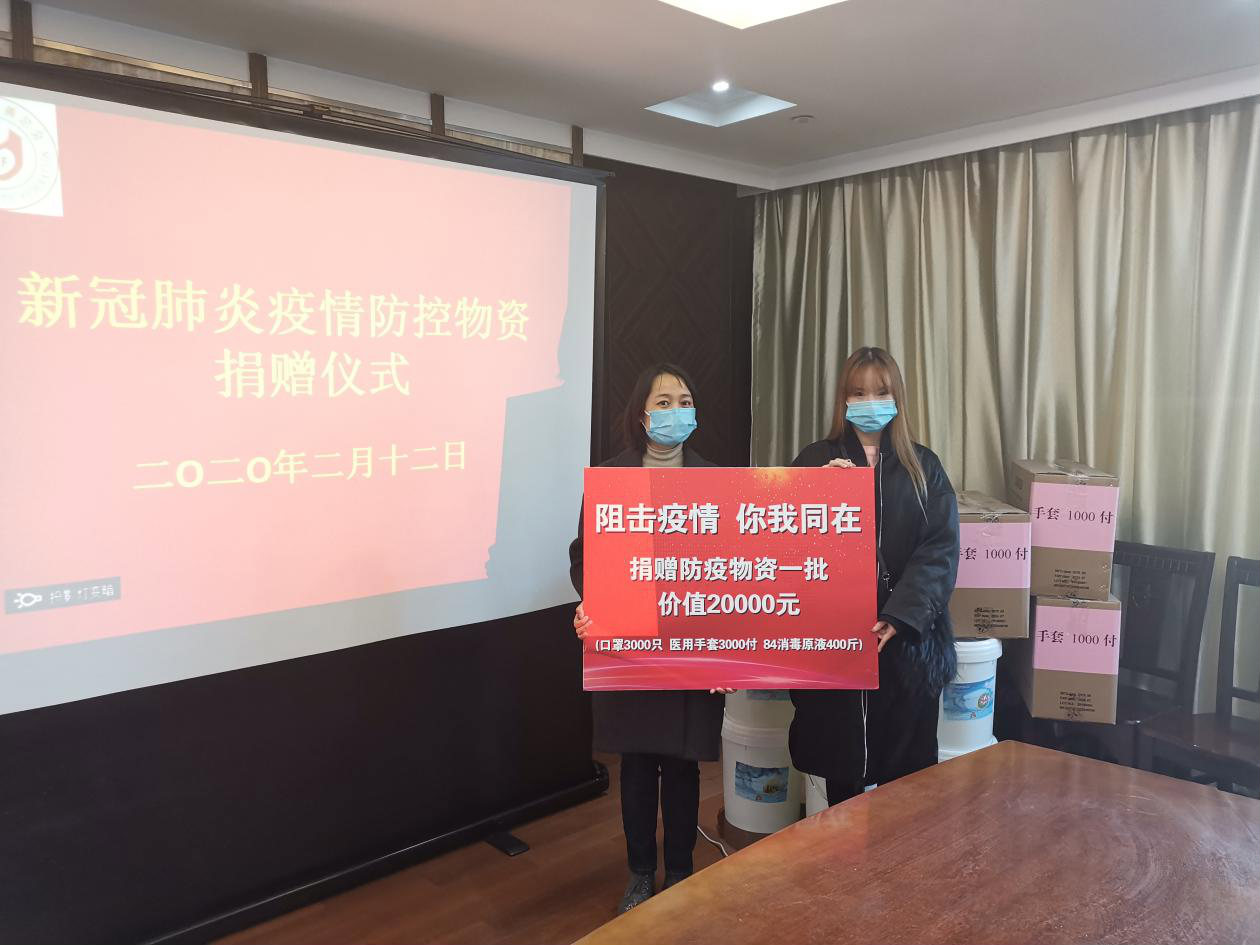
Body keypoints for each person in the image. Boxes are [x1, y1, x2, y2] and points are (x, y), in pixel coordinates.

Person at [568, 363, 730, 914]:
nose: (676, 411)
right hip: (631, 645)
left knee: (683, 767)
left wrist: (729, 652)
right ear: (641, 414)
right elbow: (584, 556)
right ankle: (640, 872)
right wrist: (591, 602)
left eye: (684, 401)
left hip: (692, 643)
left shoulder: (717, 482)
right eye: (663, 403)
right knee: (636, 768)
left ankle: (681, 870)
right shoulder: (609, 479)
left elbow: (735, 569)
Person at [788, 346, 959, 806]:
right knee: (842, 770)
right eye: (858, 392)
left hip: (905, 646)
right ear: (843, 399)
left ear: (897, 397)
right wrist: (817, 493)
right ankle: (846, 851)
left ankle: (896, 852)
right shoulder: (814, 459)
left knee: (903, 783)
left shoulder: (924, 467)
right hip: (837, 642)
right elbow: (785, 544)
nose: (869, 402)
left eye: (880, 392)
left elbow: (940, 551)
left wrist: (900, 615)